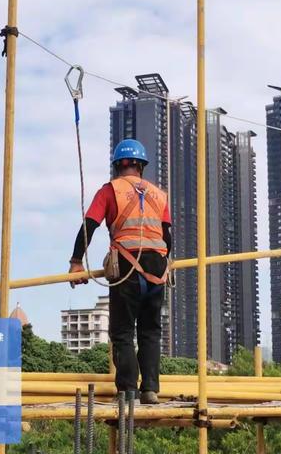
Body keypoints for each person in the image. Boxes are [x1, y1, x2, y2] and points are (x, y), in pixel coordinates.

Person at [69, 139, 172, 404]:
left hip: (127, 265)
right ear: (141, 167)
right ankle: (150, 389)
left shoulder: (109, 190)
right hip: (158, 267)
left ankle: (127, 390)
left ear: (117, 166)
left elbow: (89, 226)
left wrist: (76, 262)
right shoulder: (159, 195)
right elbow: (167, 236)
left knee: (122, 331)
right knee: (150, 331)